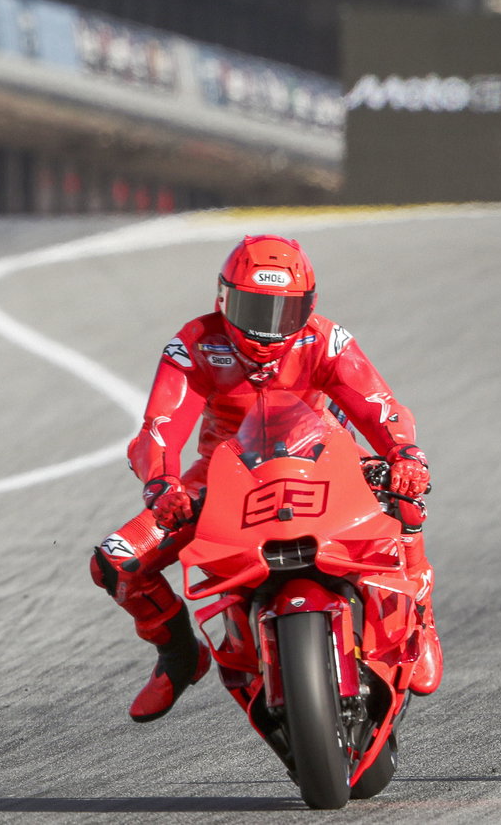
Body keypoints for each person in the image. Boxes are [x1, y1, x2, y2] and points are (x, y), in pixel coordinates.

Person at [90, 234, 443, 722]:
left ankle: (420, 624)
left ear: (308, 307)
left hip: (322, 458)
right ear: (222, 299)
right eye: (252, 310)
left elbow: (378, 404)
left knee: (405, 495)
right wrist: (161, 485)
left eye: (283, 313)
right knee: (117, 562)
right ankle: (179, 657)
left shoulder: (326, 339)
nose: (266, 330)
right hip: (223, 474)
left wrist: (403, 452)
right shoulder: (194, 343)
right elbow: (158, 430)